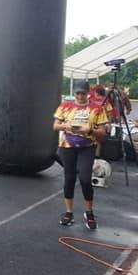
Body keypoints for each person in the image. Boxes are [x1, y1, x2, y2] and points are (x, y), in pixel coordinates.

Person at [53, 80, 107, 230]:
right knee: (69, 178)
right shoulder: (66, 106)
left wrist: (89, 130)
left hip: (87, 147)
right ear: (74, 93)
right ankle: (69, 212)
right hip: (68, 146)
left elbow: (102, 132)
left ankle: (89, 212)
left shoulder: (96, 109)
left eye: (83, 93)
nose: (80, 96)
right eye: (77, 93)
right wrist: (67, 126)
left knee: (85, 179)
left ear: (88, 93)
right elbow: (55, 126)